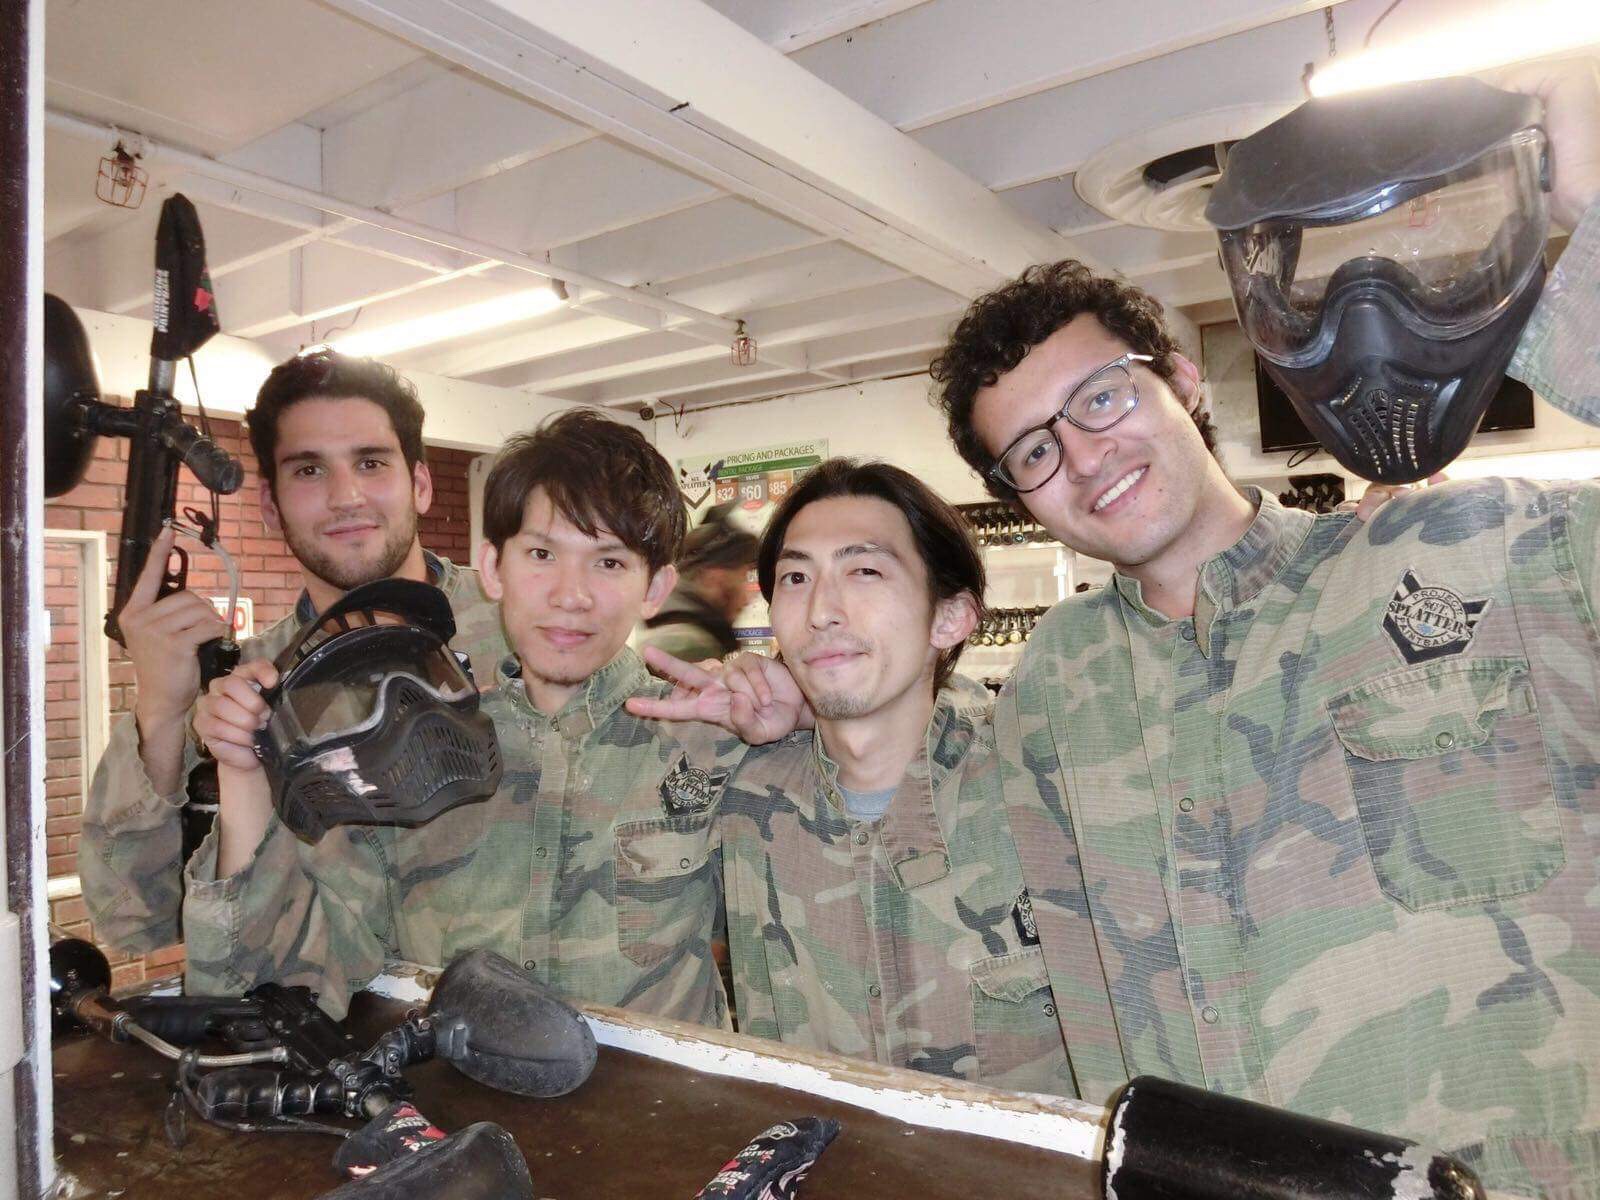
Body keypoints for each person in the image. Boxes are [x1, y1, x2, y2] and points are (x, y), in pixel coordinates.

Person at [927, 61, 1600, 1197]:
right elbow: (1039, 978)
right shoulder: (1053, 686)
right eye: (1034, 450)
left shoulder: (1479, 553)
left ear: (1183, 381)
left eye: (1102, 398)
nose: (1083, 457)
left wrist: (1587, 223)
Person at [182, 410, 798, 1024]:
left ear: (656, 587)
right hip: (452, 1082)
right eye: (541, 553)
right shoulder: (408, 745)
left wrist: (809, 717)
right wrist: (242, 776)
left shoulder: (715, 742)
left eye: (609, 562)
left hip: (650, 1086)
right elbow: (279, 981)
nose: (570, 595)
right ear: (494, 568)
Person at [631, 459, 1077, 1095]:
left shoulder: (1042, 788)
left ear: (950, 616)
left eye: (865, 571)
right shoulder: (741, 793)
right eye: (795, 577)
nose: (821, 611)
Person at [78, 349, 508, 953]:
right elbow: (135, 923)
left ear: (419, 485)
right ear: (269, 506)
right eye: (309, 470)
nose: (346, 496)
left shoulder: (528, 632)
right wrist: (161, 714)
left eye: (370, 462)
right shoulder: (240, 689)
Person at [635, 502, 758, 665]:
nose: (747, 600)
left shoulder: (668, 634)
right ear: (714, 580)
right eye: (743, 578)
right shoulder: (691, 646)